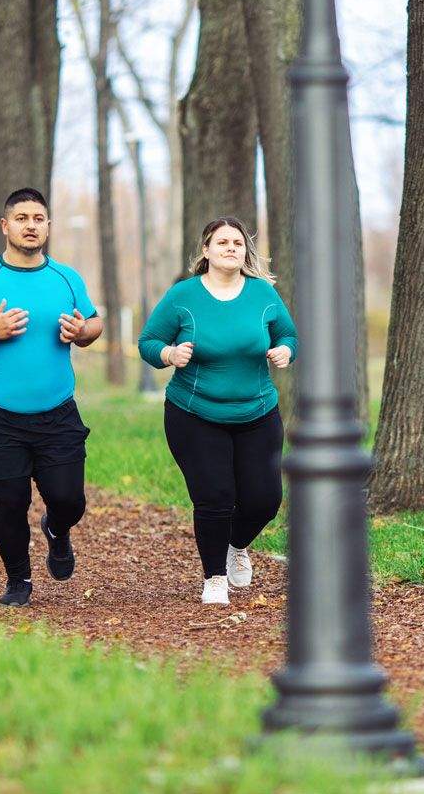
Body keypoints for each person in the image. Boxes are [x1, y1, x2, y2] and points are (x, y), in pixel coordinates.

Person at [0, 187, 104, 607]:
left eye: (39, 218)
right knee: (9, 501)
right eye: (23, 218)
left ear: (48, 226)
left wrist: (82, 333)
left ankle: (56, 529)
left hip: (57, 412)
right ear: (5, 225)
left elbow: (95, 323)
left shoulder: (67, 278)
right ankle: (18, 580)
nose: (32, 225)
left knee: (69, 500)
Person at [138, 218, 297, 605]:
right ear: (206, 250)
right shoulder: (183, 296)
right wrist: (169, 354)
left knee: (264, 499)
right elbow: (148, 341)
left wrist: (285, 351)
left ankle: (237, 545)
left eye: (238, 243)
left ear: (245, 252)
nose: (231, 248)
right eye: (222, 242)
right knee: (215, 496)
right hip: (195, 413)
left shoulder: (262, 295)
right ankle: (214, 577)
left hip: (257, 412)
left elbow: (288, 334)